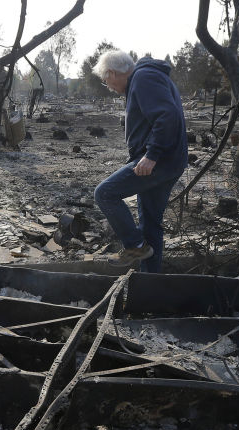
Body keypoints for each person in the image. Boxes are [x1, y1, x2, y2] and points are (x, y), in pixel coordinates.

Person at [92, 50, 187, 272]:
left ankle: (134, 246)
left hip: (159, 161)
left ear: (112, 73)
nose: (109, 87)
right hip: (167, 160)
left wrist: (152, 155)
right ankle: (149, 284)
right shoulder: (145, 77)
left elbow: (167, 116)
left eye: (106, 81)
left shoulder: (144, 78)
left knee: (105, 194)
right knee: (151, 225)